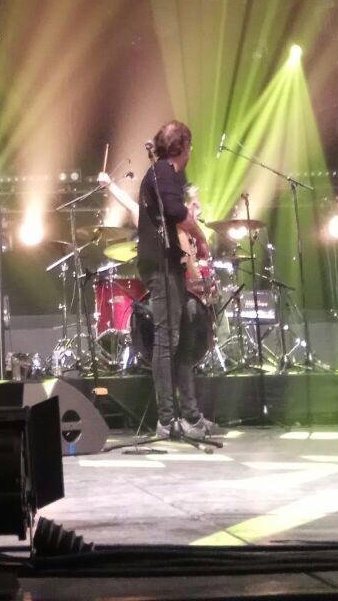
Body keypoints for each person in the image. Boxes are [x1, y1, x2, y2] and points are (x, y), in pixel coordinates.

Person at [135, 120, 215, 439]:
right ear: (183, 147)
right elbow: (175, 211)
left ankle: (192, 418)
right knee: (167, 339)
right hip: (160, 266)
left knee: (182, 340)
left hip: (169, 263)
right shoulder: (163, 171)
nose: (191, 151)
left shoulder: (165, 173)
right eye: (190, 145)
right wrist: (202, 236)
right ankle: (167, 421)